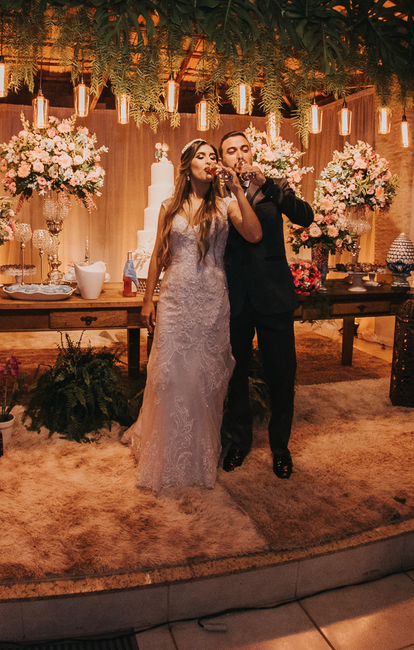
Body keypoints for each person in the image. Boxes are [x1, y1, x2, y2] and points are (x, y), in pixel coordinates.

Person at [123, 139, 262, 491]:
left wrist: (237, 190)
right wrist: (147, 299)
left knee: (204, 378)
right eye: (201, 156)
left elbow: (254, 233)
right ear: (187, 165)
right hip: (174, 297)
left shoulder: (225, 204)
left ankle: (197, 457)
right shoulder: (170, 206)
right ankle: (163, 454)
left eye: (212, 156)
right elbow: (158, 254)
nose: (209, 161)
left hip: (212, 298)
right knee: (168, 375)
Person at [219, 130, 315, 479]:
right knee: (236, 374)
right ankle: (240, 443)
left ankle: (280, 447)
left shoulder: (273, 186)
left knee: (281, 374)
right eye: (231, 150)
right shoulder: (216, 194)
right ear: (222, 159)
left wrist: (269, 185)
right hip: (235, 297)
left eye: (244, 148)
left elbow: (306, 216)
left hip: (274, 296)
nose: (240, 155)